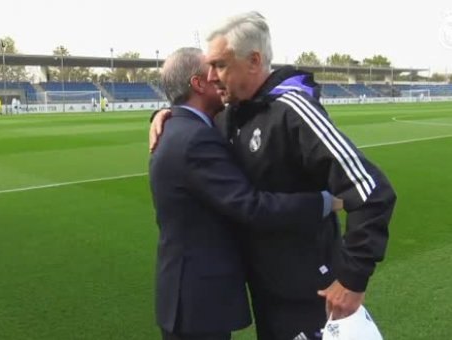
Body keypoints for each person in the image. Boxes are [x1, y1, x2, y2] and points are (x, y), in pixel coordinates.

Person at [151, 12, 396, 340]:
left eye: (220, 65)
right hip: (267, 291)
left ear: (253, 61)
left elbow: (371, 189)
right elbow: (192, 125)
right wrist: (164, 114)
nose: (212, 76)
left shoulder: (294, 110)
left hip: (310, 292)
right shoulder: (230, 116)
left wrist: (353, 279)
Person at [150, 47, 343, 340]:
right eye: (212, 70)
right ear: (198, 84)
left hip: (188, 296)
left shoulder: (180, 127)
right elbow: (251, 206)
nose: (219, 76)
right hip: (198, 301)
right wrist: (325, 201)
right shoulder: (194, 137)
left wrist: (161, 114)